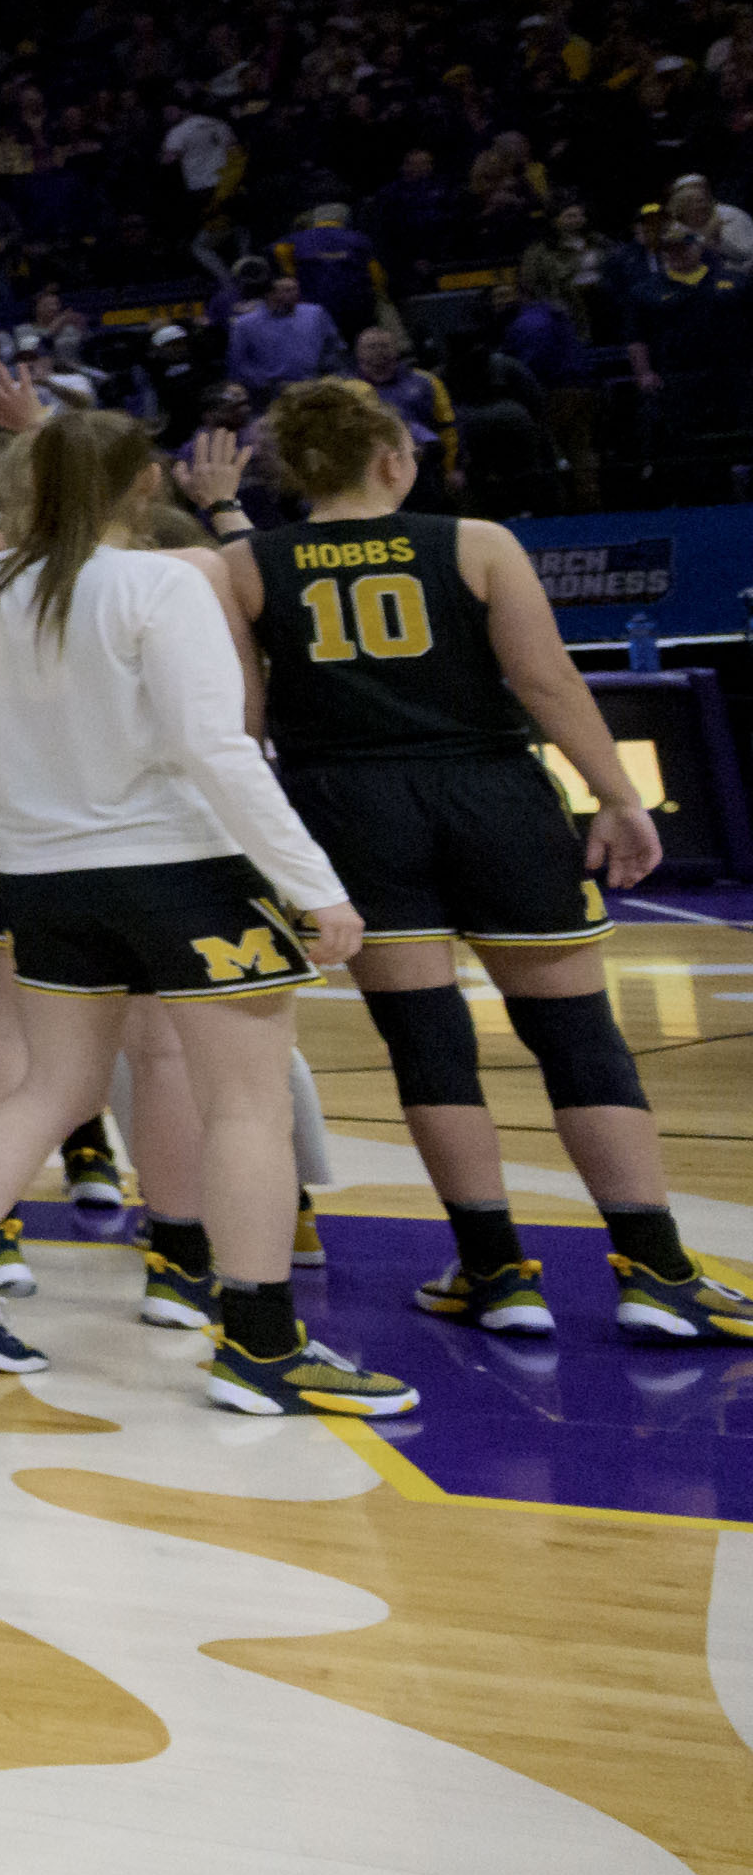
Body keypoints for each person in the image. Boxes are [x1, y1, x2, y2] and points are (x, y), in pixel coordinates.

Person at [0, 413, 404, 1413]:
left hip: (42, 878)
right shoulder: (166, 580)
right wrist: (315, 881)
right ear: (145, 484)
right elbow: (217, 748)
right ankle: (262, 1346)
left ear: (21, 480)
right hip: (182, 869)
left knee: (49, 1085)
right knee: (246, 1104)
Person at [242, 378, 752, 1345]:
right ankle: (657, 1269)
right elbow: (546, 680)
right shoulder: (477, 542)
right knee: (579, 1038)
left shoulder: (245, 567)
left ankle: (495, 1272)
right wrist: (618, 794)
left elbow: (241, 728)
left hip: (347, 808)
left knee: (430, 1050)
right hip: (493, 792)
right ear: (393, 460)